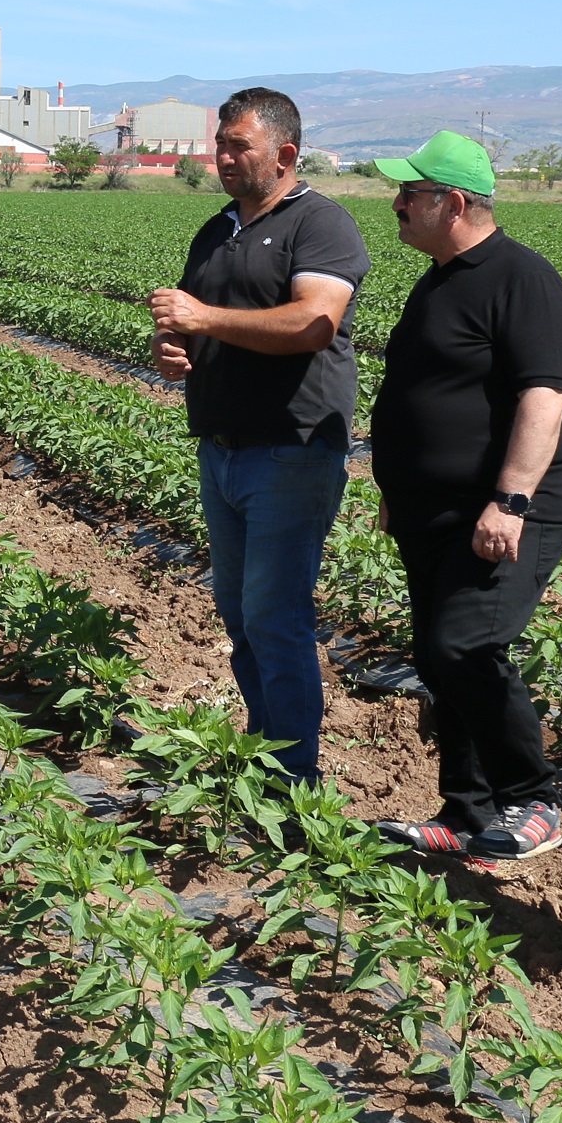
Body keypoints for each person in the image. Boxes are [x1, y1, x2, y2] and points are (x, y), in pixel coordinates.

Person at [366, 130, 562, 862]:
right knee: (435, 655)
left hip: (502, 511)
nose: (395, 204)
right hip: (430, 513)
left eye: (408, 193)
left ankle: (534, 800)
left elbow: (543, 397)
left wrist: (511, 500)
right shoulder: (440, 278)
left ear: (451, 202)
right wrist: (398, 488)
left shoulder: (522, 278)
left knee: (465, 644)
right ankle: (465, 814)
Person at [149, 88, 371, 785]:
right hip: (222, 447)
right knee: (241, 612)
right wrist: (172, 347)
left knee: (276, 616)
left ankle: (294, 778)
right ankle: (264, 745)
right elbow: (191, 319)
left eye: (238, 146)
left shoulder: (321, 226)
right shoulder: (218, 228)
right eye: (220, 144)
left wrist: (205, 319)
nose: (222, 157)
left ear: (285, 154)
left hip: (291, 448)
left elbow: (313, 324)